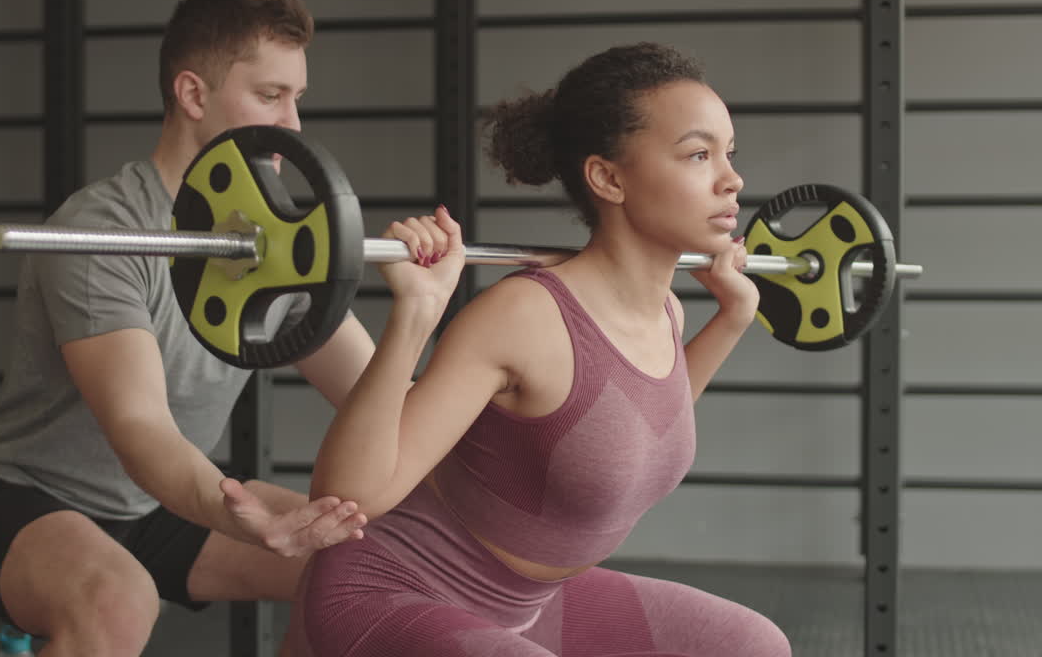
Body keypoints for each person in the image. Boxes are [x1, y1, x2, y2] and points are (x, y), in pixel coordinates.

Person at [0, 0, 398, 657]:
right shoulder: (107, 231)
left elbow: (386, 406)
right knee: (118, 600)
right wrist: (253, 518)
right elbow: (139, 428)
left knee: (367, 571)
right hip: (14, 497)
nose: (292, 123)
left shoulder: (269, 242)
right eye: (270, 96)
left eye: (297, 99)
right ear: (193, 94)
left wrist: (419, 303)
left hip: (150, 507)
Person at [287, 43, 792, 656]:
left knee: (753, 646)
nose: (732, 179)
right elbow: (349, 497)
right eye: (697, 155)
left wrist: (735, 316)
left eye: (728, 154)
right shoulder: (525, 316)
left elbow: (635, 429)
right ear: (608, 177)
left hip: (528, 605)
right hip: (395, 594)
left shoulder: (667, 310)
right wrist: (416, 315)